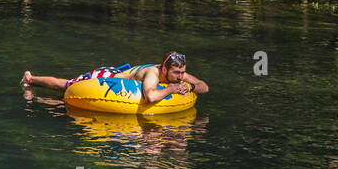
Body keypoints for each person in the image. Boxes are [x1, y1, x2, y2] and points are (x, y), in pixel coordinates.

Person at [20, 52, 208, 103]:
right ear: (165, 69)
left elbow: (203, 86)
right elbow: (150, 96)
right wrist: (172, 89)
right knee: (66, 85)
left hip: (122, 76)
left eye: (183, 73)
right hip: (108, 76)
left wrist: (190, 87)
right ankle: (31, 79)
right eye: (177, 73)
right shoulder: (154, 74)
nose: (181, 76)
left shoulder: (180, 74)